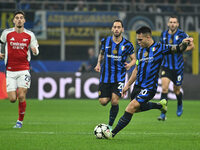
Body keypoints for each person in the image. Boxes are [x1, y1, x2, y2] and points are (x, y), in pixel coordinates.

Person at [102, 26, 194, 139]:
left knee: (130, 107)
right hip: (137, 86)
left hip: (149, 87)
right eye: (137, 39)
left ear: (148, 37)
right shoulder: (140, 51)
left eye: (140, 40)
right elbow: (136, 70)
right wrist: (127, 85)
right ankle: (159, 105)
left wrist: (184, 43)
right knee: (136, 109)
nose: (138, 42)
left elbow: (178, 48)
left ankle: (111, 133)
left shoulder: (160, 48)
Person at [94, 19, 136, 130]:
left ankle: (110, 126)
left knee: (114, 100)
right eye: (115, 27)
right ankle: (112, 97)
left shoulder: (127, 45)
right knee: (103, 102)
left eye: (118, 27)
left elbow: (134, 59)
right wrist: (98, 64)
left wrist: (130, 65)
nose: (116, 29)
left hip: (119, 77)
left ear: (122, 29)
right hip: (105, 77)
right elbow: (101, 53)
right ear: (112, 29)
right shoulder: (105, 41)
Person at [0, 10, 39, 128]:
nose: (19, 19)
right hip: (10, 71)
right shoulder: (6, 33)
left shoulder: (30, 35)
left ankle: (19, 121)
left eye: (21, 18)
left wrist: (35, 51)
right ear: (13, 20)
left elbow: (36, 49)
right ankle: (19, 109)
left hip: (24, 69)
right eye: (17, 18)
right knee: (12, 99)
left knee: (21, 95)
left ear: (24, 20)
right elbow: (1, 42)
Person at [158, 16, 194, 121]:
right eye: (171, 22)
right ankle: (163, 113)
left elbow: (192, 46)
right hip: (166, 66)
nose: (172, 24)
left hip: (178, 67)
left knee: (176, 90)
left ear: (177, 24)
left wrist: (181, 49)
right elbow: (161, 47)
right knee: (164, 88)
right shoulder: (163, 35)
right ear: (168, 24)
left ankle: (179, 103)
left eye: (174, 22)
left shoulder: (182, 35)